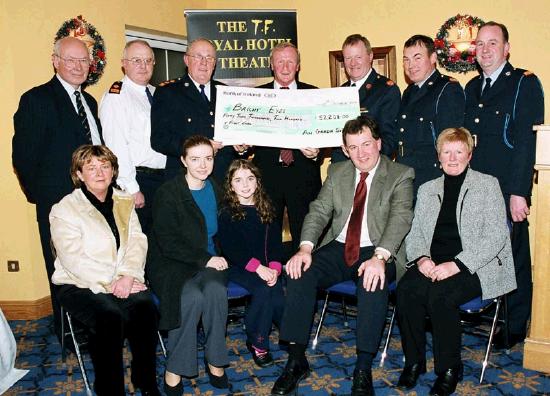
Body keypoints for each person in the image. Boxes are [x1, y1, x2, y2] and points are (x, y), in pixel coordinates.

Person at [271, 116, 414, 396]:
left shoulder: (400, 174)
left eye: (366, 144)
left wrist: (380, 258)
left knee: (373, 281)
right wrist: (305, 248)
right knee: (300, 271)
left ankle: (363, 367)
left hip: (379, 248)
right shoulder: (338, 172)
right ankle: (295, 360)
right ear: (345, 150)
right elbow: (319, 210)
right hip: (340, 246)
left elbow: (400, 218)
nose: (361, 153)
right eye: (353, 147)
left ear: (379, 143)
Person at [396, 128, 516, 396]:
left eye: (459, 151)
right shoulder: (428, 189)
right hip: (433, 261)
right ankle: (414, 363)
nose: (452, 158)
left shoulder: (488, 184)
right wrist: (421, 258)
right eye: (446, 152)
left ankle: (449, 368)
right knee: (407, 291)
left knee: (441, 296)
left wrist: (457, 265)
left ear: (469, 155)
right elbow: (415, 233)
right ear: (438, 156)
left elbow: (497, 236)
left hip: (476, 265)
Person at [50, 145, 159, 396]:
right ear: (79, 174)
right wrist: (112, 282)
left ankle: (146, 381)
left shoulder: (123, 200)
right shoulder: (64, 209)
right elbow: (72, 259)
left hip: (124, 278)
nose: (99, 172)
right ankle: (109, 390)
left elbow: (137, 240)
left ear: (113, 171)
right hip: (78, 283)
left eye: (105, 166)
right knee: (109, 318)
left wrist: (129, 275)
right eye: (91, 168)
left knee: (145, 309)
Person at [12, 36, 103, 340]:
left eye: (83, 61)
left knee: (91, 260)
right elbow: (23, 157)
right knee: (62, 266)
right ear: (55, 61)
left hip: (93, 200)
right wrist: (42, 197)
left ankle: (95, 322)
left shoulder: (89, 101)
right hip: (56, 203)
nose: (79, 67)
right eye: (71, 60)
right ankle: (69, 330)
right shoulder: (36, 100)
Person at [464, 21, 544, 349]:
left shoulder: (524, 83)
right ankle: (489, 311)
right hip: (477, 187)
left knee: (512, 257)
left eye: (492, 43)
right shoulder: (471, 88)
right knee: (482, 253)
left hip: (506, 188)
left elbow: (526, 142)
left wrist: (519, 192)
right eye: (480, 44)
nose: (484, 50)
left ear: (506, 48)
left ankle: (513, 323)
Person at [147, 135, 229, 395]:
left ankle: (216, 360)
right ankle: (175, 367)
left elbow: (226, 229)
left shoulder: (216, 189)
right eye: (195, 159)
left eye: (208, 158)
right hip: (171, 263)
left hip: (208, 260)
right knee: (191, 298)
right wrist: (206, 259)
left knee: (216, 291)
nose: (203, 165)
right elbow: (168, 242)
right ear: (183, 161)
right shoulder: (168, 193)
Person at [253, 42, 321, 252]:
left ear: (298, 65)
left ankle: (304, 280)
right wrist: (240, 146)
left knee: (306, 234)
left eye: (290, 61)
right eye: (280, 61)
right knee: (265, 235)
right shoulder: (255, 97)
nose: (285, 66)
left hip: (303, 175)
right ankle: (268, 279)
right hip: (267, 176)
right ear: (271, 65)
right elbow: (245, 140)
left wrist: (317, 153)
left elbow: (324, 136)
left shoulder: (315, 95)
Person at [218, 159, 285, 368]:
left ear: (258, 182)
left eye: (250, 178)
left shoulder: (267, 207)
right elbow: (232, 250)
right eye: (238, 180)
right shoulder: (227, 212)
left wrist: (274, 268)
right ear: (230, 185)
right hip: (238, 267)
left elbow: (275, 243)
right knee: (264, 289)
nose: (245, 184)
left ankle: (288, 333)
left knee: (279, 292)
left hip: (265, 267)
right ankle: (258, 341)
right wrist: (259, 269)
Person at [100, 39, 166, 234]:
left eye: (148, 60)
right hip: (139, 179)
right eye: (136, 60)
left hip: (164, 179)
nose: (143, 66)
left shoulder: (158, 94)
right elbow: (116, 145)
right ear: (124, 63)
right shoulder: (117, 96)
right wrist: (132, 187)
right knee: (141, 244)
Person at [151, 38, 239, 182]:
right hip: (185, 179)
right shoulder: (168, 92)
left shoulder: (227, 92)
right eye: (198, 56)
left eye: (209, 58)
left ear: (215, 63)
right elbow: (159, 139)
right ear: (186, 60)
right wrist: (200, 148)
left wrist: (242, 146)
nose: (204, 62)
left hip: (224, 176)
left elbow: (236, 135)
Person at [396, 35, 465, 194]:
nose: (411, 65)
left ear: (433, 57)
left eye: (417, 58)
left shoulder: (447, 89)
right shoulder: (409, 92)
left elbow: (450, 143)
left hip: (432, 180)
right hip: (407, 177)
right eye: (406, 59)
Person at [331, 34, 401, 162]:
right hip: (340, 170)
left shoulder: (386, 90)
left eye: (358, 57)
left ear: (370, 56)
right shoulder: (339, 93)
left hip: (371, 171)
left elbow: (389, 142)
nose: (353, 63)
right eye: (348, 58)